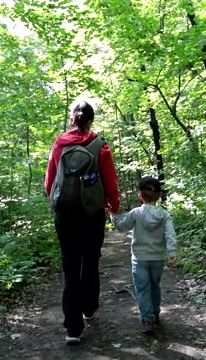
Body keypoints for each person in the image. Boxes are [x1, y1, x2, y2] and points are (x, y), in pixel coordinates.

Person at [45, 100, 120, 345]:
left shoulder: (59, 143)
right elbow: (110, 181)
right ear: (92, 120)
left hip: (65, 214)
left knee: (69, 267)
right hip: (92, 213)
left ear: (72, 119)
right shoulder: (100, 145)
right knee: (90, 261)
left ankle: (73, 329)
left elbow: (50, 180)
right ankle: (89, 306)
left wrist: (55, 202)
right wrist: (113, 205)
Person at [109, 176, 177, 334]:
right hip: (158, 258)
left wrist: (112, 214)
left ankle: (147, 320)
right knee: (155, 285)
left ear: (140, 196)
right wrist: (172, 252)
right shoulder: (165, 215)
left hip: (139, 258)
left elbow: (121, 226)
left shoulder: (136, 213)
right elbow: (170, 234)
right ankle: (155, 312)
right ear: (160, 195)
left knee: (142, 289)